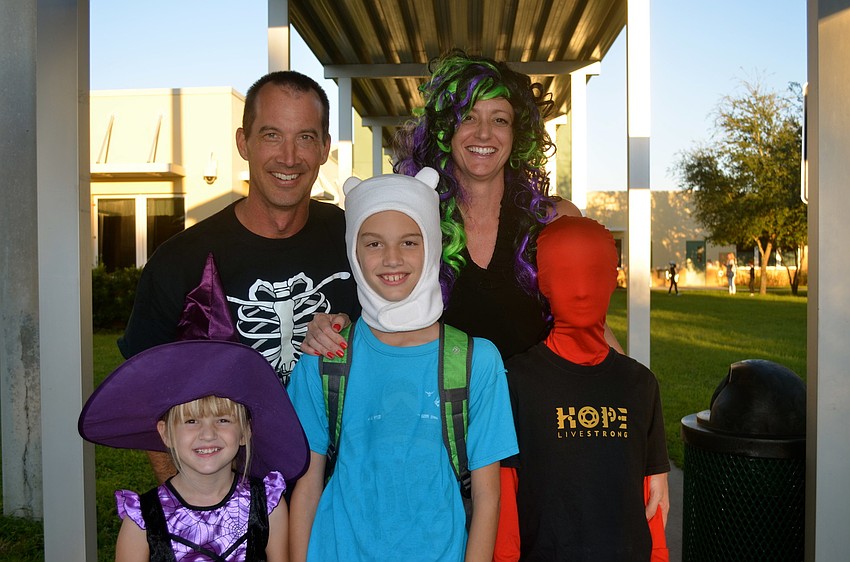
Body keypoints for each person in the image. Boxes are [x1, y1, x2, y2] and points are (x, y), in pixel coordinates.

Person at [119, 70, 359, 482]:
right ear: (242, 142)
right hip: (228, 496)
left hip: (341, 492)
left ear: (324, 148)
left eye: (304, 137)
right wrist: (190, 509)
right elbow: (146, 396)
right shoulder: (180, 260)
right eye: (271, 135)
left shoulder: (359, 240)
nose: (288, 157)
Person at [288, 168, 518, 561]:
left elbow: (487, 498)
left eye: (409, 242)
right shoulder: (325, 358)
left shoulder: (476, 362)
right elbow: (305, 486)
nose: (391, 258)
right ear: (353, 251)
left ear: (432, 245)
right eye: (373, 243)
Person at [505, 216, 670, 561]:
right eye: (565, 275)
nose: (581, 290)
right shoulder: (517, 380)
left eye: (593, 274)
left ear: (612, 279)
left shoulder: (640, 385)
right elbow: (505, 499)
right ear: (544, 283)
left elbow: (653, 505)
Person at [78, 337, 310, 562]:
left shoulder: (268, 505)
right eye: (191, 421)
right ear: (165, 433)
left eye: (223, 420)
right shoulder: (143, 519)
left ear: (245, 431)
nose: (208, 434)